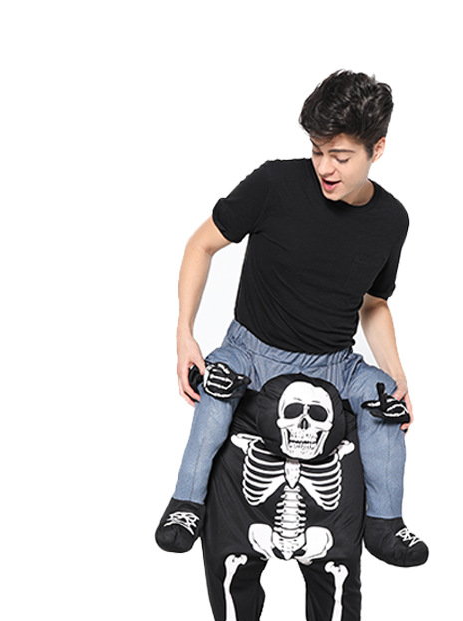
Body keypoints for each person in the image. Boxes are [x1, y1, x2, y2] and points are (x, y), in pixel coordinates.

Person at [156, 69, 428, 568]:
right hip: (252, 348)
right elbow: (201, 245)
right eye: (317, 151)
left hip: (333, 362)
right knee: (218, 386)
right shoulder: (274, 184)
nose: (325, 167)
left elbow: (373, 303)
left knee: (384, 401)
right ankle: (185, 504)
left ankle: (386, 523)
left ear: (377, 149)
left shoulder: (392, 219)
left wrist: (398, 377)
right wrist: (184, 333)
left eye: (340, 156)